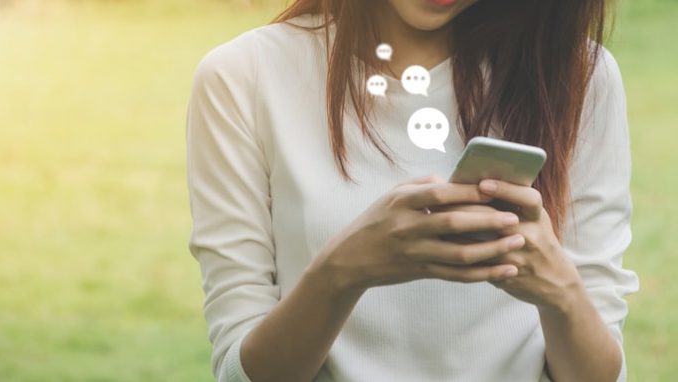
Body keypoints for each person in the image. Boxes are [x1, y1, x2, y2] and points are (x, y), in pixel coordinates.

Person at [185, 0, 640, 381]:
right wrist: (343, 271)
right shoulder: (242, 78)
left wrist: (559, 290)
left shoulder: (577, 73)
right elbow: (238, 371)